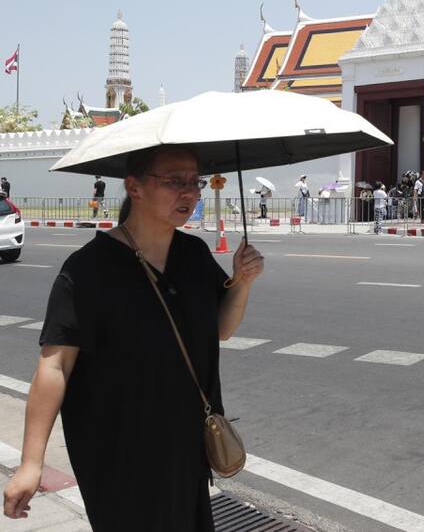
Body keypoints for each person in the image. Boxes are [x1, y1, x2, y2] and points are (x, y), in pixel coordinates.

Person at [2, 146, 264, 530]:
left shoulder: (193, 254)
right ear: (134, 188)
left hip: (186, 445)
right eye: (174, 181)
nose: (189, 192)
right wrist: (31, 463)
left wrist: (242, 282)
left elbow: (220, 329)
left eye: (195, 182)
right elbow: (55, 365)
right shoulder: (88, 270)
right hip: (118, 454)